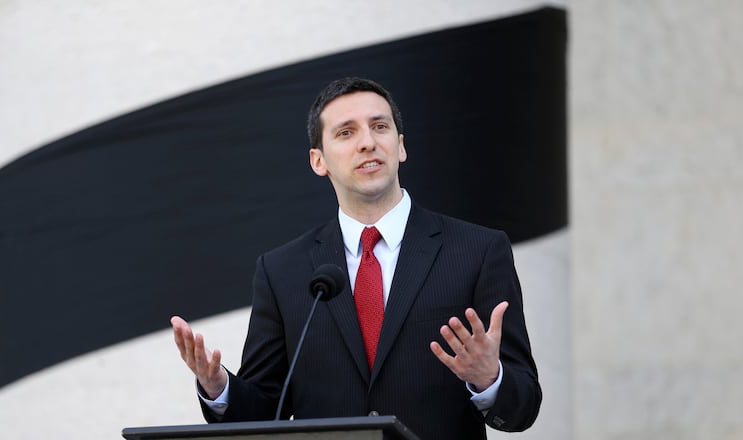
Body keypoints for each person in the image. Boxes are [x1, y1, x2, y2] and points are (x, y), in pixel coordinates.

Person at [171, 77, 541, 439]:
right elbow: (265, 412)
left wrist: (488, 379)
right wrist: (218, 387)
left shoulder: (477, 251)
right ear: (319, 161)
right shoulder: (282, 270)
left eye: (379, 126)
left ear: (400, 146)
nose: (367, 142)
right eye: (346, 132)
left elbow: (522, 408)